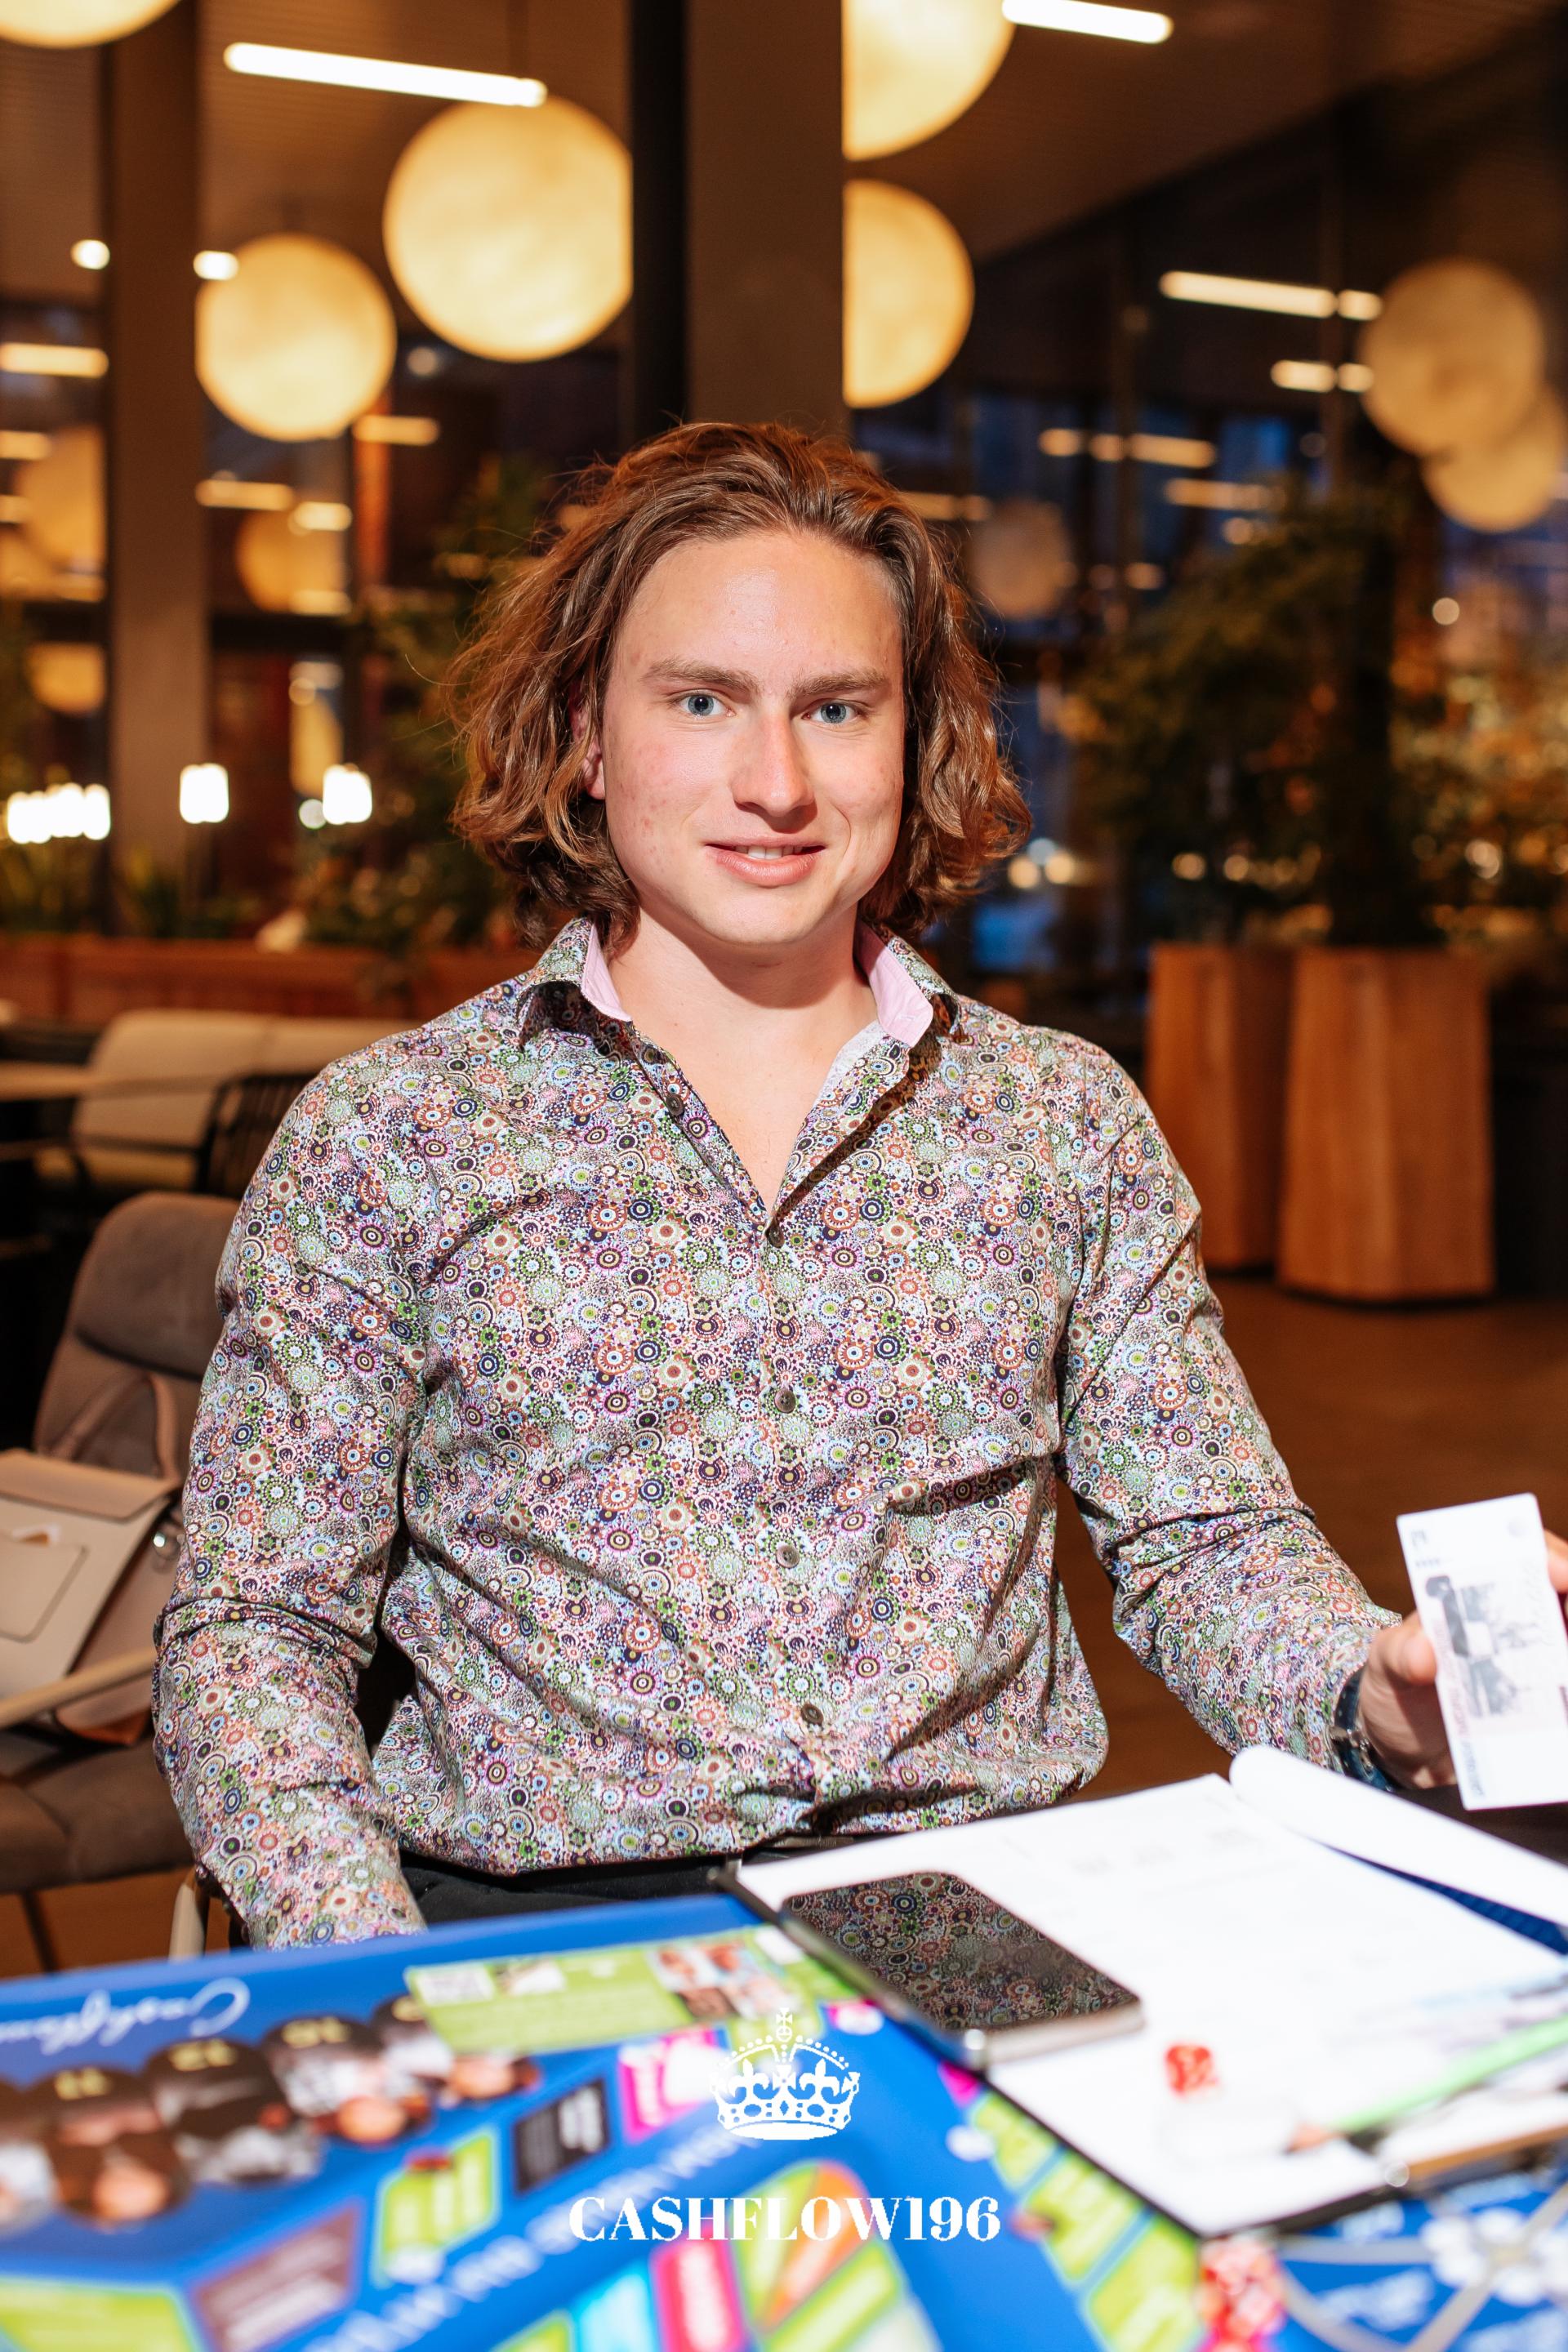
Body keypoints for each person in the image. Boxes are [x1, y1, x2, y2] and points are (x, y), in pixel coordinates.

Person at [153, 421, 1556, 1949]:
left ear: (911, 740)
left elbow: (1205, 1544)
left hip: (980, 1920)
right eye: (702, 700)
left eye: (836, 709)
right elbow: (256, 1632)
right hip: (540, 1932)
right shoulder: (393, 1138)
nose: (776, 783)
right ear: (589, 736)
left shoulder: (1057, 1123)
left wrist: (1377, 1695)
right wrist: (380, 1984)